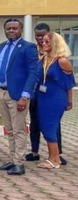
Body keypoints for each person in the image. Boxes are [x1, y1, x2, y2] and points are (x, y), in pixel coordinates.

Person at [0, 18, 40, 176]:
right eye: (8, 29)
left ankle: (19, 163)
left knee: (19, 129)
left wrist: (25, 96)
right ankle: (12, 159)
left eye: (14, 28)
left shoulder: (28, 47)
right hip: (1, 92)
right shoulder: (1, 47)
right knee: (10, 129)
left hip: (18, 95)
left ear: (20, 30)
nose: (11, 31)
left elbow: (34, 73)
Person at [27, 23, 66, 165]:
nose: (40, 39)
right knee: (38, 124)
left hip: (53, 97)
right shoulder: (37, 53)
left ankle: (56, 156)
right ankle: (38, 152)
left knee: (52, 125)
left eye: (43, 37)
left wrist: (69, 101)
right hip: (38, 95)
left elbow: (67, 82)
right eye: (38, 36)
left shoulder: (60, 58)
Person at [34, 32, 74, 170]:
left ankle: (55, 159)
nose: (43, 43)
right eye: (43, 41)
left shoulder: (62, 61)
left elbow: (69, 83)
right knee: (44, 126)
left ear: (55, 44)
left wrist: (70, 101)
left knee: (49, 127)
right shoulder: (44, 58)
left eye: (47, 42)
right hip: (42, 96)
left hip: (56, 97)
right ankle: (53, 156)